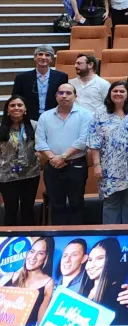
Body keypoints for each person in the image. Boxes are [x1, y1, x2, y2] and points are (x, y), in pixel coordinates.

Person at [34, 84, 93, 225]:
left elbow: (83, 140)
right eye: (61, 93)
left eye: (68, 93)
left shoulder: (85, 114)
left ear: (75, 96)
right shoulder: (45, 116)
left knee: (76, 203)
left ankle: (77, 234)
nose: (64, 96)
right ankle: (58, 234)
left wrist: (63, 156)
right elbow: (40, 141)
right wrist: (52, 158)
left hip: (76, 165)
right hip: (52, 165)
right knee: (56, 204)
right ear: (56, 96)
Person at [88, 82, 128, 224]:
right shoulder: (100, 113)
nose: (118, 94)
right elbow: (94, 142)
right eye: (115, 91)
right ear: (109, 93)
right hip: (108, 166)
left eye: (122, 91)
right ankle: (111, 234)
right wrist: (97, 165)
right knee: (110, 202)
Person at [0, 97, 41, 226]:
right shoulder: (1, 128)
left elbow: (41, 146)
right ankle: (9, 236)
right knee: (10, 210)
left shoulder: (35, 125)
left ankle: (30, 235)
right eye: (12, 105)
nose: (16, 108)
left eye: (19, 105)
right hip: (7, 175)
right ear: (7, 110)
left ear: (25, 108)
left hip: (30, 174)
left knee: (28, 210)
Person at [12, 45, 68, 122]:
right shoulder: (22, 78)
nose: (43, 57)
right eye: (40, 54)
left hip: (54, 118)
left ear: (51, 59)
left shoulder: (61, 77)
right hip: (29, 119)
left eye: (47, 55)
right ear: (35, 57)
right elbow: (16, 99)